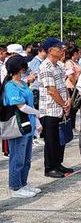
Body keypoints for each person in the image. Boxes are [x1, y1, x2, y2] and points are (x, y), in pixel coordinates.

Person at [2, 55, 42, 197]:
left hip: (28, 126)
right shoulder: (10, 86)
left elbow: (29, 105)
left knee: (26, 159)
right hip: (18, 127)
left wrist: (36, 121)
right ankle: (15, 187)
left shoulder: (23, 83)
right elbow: (21, 106)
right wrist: (38, 113)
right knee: (17, 158)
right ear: (20, 68)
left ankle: (23, 183)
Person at [38, 37, 73, 178]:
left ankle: (58, 163)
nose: (62, 50)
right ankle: (50, 167)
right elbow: (51, 90)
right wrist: (63, 103)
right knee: (51, 140)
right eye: (59, 48)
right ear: (51, 50)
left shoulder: (58, 65)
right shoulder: (45, 67)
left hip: (61, 107)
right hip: (50, 109)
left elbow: (63, 85)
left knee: (60, 139)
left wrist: (68, 100)